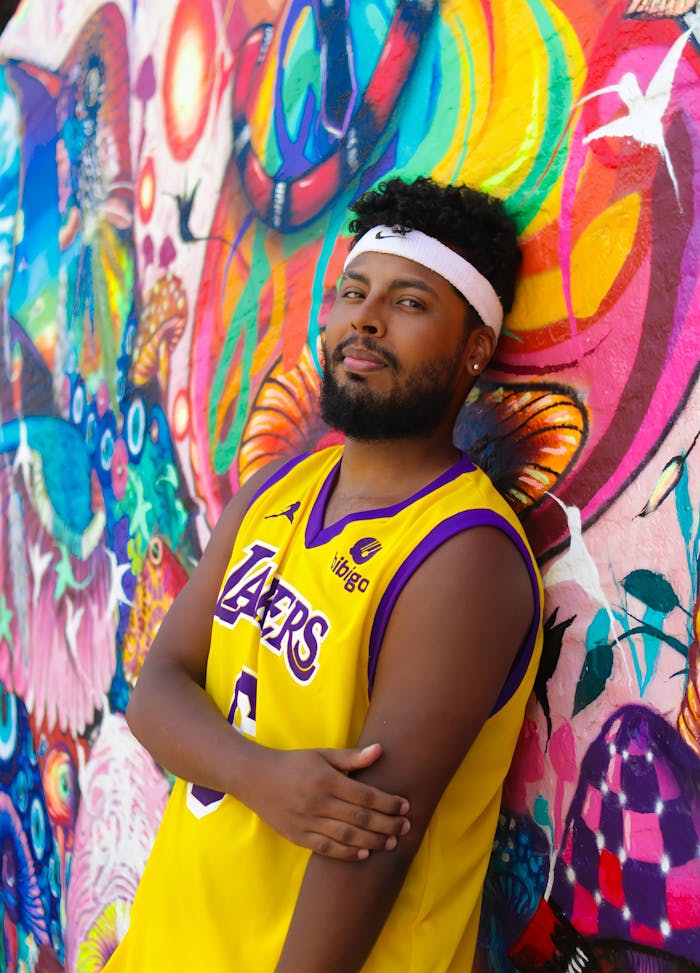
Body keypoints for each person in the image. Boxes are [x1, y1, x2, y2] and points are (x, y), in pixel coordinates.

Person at [101, 176, 543, 972]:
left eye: (410, 302)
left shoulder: (463, 553)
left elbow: (369, 849)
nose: (365, 319)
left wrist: (258, 776)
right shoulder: (279, 488)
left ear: (476, 348)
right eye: (353, 291)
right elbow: (157, 691)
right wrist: (260, 775)